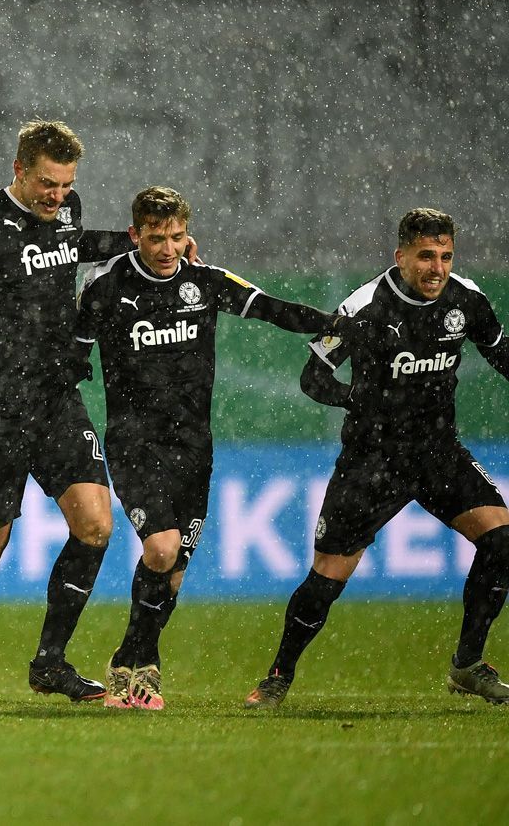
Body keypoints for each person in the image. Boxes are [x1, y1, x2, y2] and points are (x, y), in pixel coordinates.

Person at [75, 186, 376, 710]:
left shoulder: (206, 282)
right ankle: (144, 664)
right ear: (134, 236)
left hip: (194, 446)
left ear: (187, 235)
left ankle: (130, 657)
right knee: (161, 549)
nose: (167, 249)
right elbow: (69, 351)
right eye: (155, 238)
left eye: (175, 237)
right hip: (135, 443)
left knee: (175, 571)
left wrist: (335, 324)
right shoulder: (105, 287)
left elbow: (271, 309)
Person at [245, 208, 509, 709]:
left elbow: (501, 354)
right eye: (426, 256)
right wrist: (357, 402)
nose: (438, 268)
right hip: (373, 461)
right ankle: (278, 676)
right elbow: (313, 377)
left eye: (446, 256)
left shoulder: (466, 299)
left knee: (502, 541)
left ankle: (467, 666)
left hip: (438, 453)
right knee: (327, 578)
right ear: (401, 256)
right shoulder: (366, 306)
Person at [0, 120, 148, 701]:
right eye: (47, 184)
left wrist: (142, 243)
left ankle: (50, 661)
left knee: (96, 525)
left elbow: (77, 247)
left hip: (55, 398)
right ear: (19, 171)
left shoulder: (68, 212)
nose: (57, 197)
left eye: (65, 186)